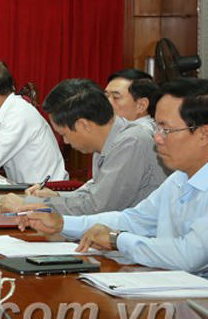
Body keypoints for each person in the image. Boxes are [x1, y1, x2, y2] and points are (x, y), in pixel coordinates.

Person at [18, 78, 208, 275]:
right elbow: (132, 219)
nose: (157, 137)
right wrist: (62, 223)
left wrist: (116, 239)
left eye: (166, 129)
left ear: (203, 134)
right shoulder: (178, 179)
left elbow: (188, 256)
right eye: (157, 127)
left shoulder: (134, 142)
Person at [0, 78, 166, 215]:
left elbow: (98, 207)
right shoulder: (108, 140)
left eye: (64, 134)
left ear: (84, 125)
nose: (65, 142)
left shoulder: (131, 142)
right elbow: (95, 193)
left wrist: (30, 204)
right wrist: (56, 196)